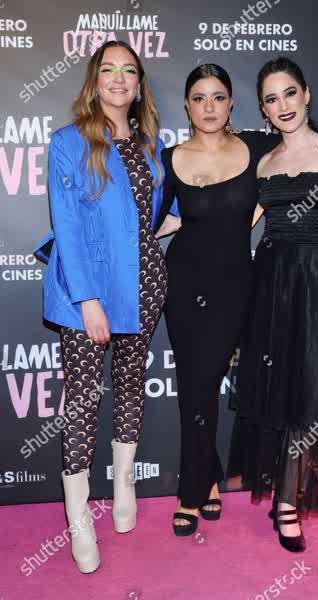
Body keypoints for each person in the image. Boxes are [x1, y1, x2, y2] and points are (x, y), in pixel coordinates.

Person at [155, 63, 318, 537]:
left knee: (210, 381)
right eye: (199, 98)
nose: (209, 107)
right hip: (183, 282)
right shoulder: (168, 157)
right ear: (186, 106)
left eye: (218, 97)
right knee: (194, 385)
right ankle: (198, 484)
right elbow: (162, 220)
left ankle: (204, 478)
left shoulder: (257, 147)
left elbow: (300, 129)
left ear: (232, 104)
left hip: (239, 284)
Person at [34, 40, 177, 573]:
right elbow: (68, 226)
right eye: (109, 69)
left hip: (144, 283)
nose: (119, 78)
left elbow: (152, 213)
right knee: (83, 401)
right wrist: (88, 300)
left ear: (138, 84)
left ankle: (123, 488)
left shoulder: (151, 146)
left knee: (132, 384)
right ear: (95, 82)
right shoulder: (68, 142)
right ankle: (78, 519)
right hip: (87, 292)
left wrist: (174, 224)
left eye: (129, 70)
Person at [229, 56, 318, 553]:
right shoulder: (262, 161)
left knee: (310, 393)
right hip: (270, 288)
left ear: (306, 94)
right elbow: (237, 223)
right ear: (263, 109)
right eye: (271, 98)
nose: (282, 105)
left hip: (317, 286)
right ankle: (283, 493)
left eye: (289, 93)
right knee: (278, 393)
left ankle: (288, 500)